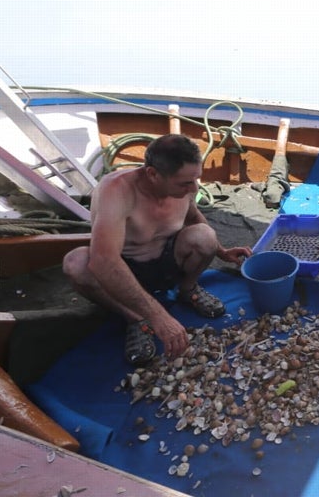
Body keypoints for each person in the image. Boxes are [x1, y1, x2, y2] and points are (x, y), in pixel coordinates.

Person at [62, 134, 252, 365]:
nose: (194, 188)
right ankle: (136, 318)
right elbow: (104, 261)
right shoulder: (116, 190)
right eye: (184, 183)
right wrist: (158, 316)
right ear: (153, 174)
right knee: (76, 264)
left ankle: (187, 289)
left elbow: (193, 216)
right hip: (124, 270)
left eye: (196, 179)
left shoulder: (188, 184)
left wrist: (222, 251)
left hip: (166, 261)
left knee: (205, 236)